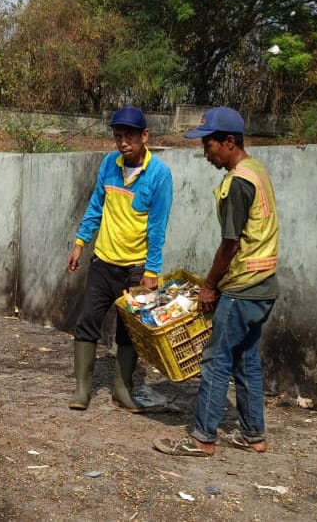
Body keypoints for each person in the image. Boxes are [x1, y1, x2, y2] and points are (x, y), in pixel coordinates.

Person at [153, 107, 279, 457]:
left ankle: (202, 439)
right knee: (246, 359)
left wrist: (210, 285)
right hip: (263, 285)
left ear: (229, 142)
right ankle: (253, 435)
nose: (205, 153)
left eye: (208, 145)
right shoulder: (257, 171)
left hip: (242, 286)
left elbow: (230, 244)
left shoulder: (238, 183)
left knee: (215, 359)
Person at [66, 106, 173, 411]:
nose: (123, 142)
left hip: (136, 268)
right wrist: (80, 243)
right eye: (118, 136)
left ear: (144, 136)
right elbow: (95, 207)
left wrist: (151, 271)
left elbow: (157, 227)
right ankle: (82, 389)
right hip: (103, 261)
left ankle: (122, 391)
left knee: (129, 332)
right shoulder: (109, 165)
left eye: (130, 136)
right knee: (88, 320)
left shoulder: (159, 175)